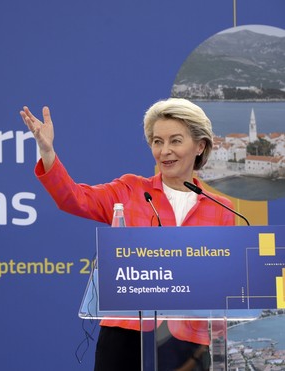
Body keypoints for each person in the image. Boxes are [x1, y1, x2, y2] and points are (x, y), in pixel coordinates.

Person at [19, 98, 235, 371]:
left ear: (200, 146)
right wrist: (46, 151)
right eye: (157, 141)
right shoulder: (130, 190)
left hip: (190, 342)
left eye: (175, 141)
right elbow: (73, 198)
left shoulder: (222, 209)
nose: (164, 150)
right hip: (126, 337)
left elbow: (228, 284)